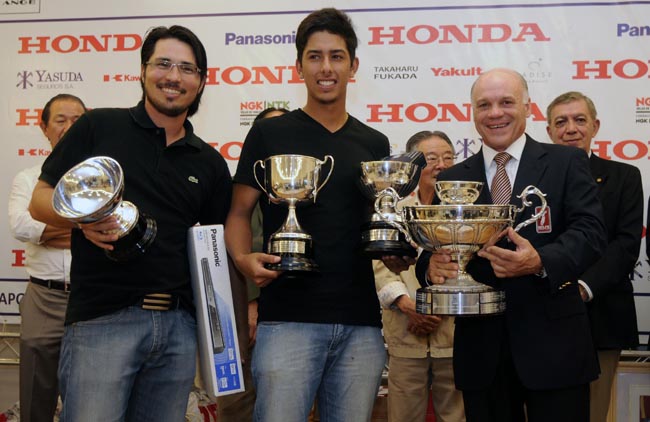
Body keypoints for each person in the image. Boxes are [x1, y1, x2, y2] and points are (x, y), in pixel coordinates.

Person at [28, 25, 232, 422]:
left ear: (202, 81)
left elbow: (213, 254)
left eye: (187, 69)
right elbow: (40, 200)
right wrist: (83, 219)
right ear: (142, 71)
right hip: (101, 321)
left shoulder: (209, 163)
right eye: (164, 64)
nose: (174, 76)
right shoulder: (99, 126)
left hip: (178, 328)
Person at [224, 8, 389, 422]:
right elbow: (239, 212)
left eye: (336, 56)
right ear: (299, 66)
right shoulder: (269, 133)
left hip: (361, 324)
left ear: (353, 65)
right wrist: (244, 261)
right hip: (286, 321)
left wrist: (396, 250)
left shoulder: (374, 141)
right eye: (315, 56)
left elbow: (379, 225)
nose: (326, 67)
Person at [415, 68, 607, 422]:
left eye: (506, 102)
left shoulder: (566, 162)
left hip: (555, 346)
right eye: (484, 104)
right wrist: (430, 265)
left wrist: (541, 261)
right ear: (472, 112)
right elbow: (436, 244)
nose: (495, 113)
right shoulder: (455, 177)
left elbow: (591, 232)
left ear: (527, 107)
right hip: (481, 349)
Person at [546, 91, 642, 422]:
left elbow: (626, 245)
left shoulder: (624, 177)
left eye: (579, 119)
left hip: (601, 316)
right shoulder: (532, 181)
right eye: (561, 122)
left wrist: (584, 287)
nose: (570, 128)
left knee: (593, 412)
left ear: (595, 126)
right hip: (543, 316)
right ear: (549, 131)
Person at [373, 130, 465, 422]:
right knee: (403, 415)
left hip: (453, 333)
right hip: (405, 329)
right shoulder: (393, 210)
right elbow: (380, 266)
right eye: (431, 159)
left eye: (448, 157)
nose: (441, 165)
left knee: (456, 415)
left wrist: (434, 308)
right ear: (412, 169)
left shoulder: (467, 212)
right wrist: (407, 306)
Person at [8, 93, 86, 422]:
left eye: (78, 121)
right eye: (60, 120)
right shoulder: (28, 178)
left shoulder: (103, 178)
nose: (69, 127)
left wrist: (49, 227)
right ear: (44, 128)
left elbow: (112, 230)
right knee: (34, 400)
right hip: (44, 297)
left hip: (92, 298)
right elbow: (22, 225)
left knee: (89, 398)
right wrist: (82, 229)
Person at [216, 106, 288, 422]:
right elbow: (228, 251)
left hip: (291, 317)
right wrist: (251, 304)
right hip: (239, 312)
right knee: (237, 402)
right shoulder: (235, 193)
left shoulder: (305, 191)